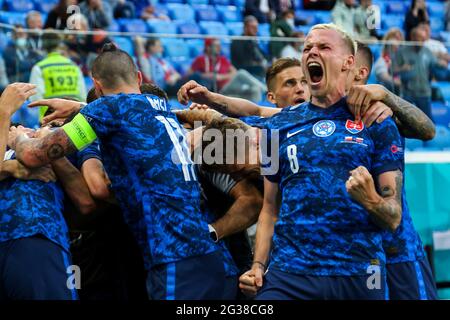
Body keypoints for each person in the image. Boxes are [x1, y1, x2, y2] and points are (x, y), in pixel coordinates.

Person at [9, 44, 227, 300]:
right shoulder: (159, 103)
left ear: (96, 85)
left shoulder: (105, 110)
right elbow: (125, 113)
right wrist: (79, 107)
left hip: (174, 255)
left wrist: (18, 138)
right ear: (138, 77)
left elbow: (32, 154)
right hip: (208, 254)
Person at [393, 26, 447, 121]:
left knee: (428, 122)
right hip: (407, 93)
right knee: (403, 121)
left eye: (423, 39)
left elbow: (433, 63)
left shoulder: (427, 51)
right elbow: (393, 70)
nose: (422, 41)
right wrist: (402, 68)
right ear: (412, 38)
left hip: (424, 93)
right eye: (419, 38)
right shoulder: (402, 51)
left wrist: (440, 63)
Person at [29, 32, 86, 121]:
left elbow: (35, 99)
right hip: (75, 117)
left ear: (43, 47)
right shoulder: (73, 66)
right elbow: (83, 95)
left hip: (49, 118)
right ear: (59, 45)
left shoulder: (40, 67)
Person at [230, 15, 268, 81]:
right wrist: (259, 64)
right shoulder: (237, 42)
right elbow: (242, 62)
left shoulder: (254, 41)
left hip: (258, 72)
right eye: (253, 27)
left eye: (256, 27)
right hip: (246, 74)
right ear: (245, 28)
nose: (256, 30)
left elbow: (263, 56)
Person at [373, 28, 404, 94]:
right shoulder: (382, 59)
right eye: (395, 38)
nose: (397, 42)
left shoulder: (402, 58)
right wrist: (397, 82)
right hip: (385, 93)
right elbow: (383, 76)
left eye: (399, 39)